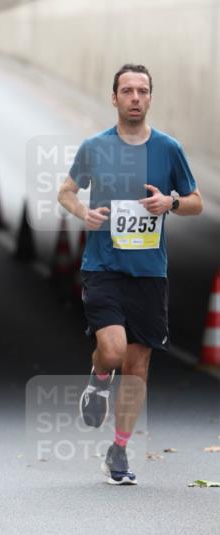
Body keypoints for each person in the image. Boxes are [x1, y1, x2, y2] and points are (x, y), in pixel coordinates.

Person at [58, 64, 202, 485]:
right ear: (115, 97)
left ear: (150, 97)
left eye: (142, 91)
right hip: (103, 265)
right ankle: (99, 380)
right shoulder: (95, 147)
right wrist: (85, 212)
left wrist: (171, 203)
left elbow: (196, 202)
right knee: (116, 350)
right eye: (127, 90)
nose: (135, 97)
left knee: (138, 366)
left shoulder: (168, 149)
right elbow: (65, 192)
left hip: (150, 272)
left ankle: (118, 450)